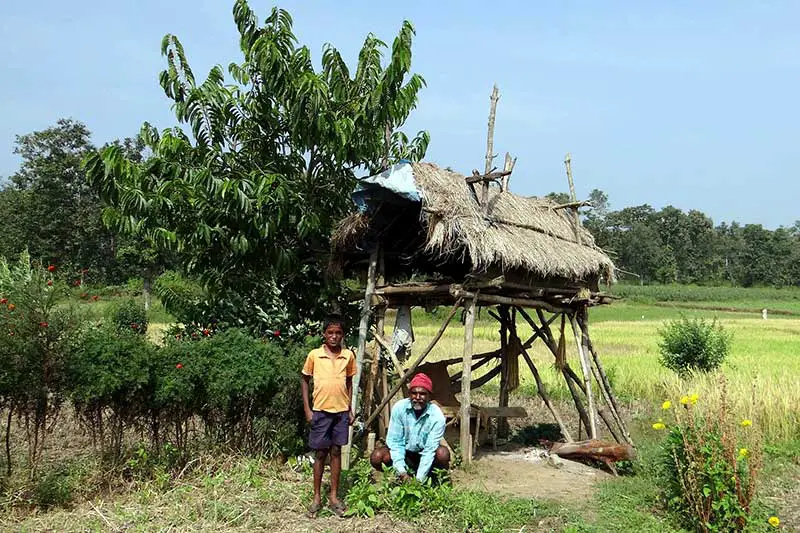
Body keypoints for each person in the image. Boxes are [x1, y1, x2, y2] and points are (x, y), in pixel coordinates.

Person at [301, 316, 356, 518]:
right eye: (330, 332)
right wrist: (308, 410)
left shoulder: (348, 356)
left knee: (336, 452)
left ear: (342, 335)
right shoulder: (315, 355)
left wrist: (349, 409)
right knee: (320, 454)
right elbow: (305, 380)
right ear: (324, 334)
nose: (334, 336)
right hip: (320, 411)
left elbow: (349, 382)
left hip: (340, 412)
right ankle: (316, 497)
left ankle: (333, 497)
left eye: (338, 333)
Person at [370, 373, 450, 483]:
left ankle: (432, 480)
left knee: (443, 454)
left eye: (422, 394)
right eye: (414, 393)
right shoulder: (399, 408)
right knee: (377, 457)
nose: (417, 397)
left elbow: (429, 451)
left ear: (429, 396)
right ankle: (397, 478)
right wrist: (402, 472)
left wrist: (418, 480)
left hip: (424, 454)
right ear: (409, 394)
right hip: (404, 453)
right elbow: (395, 443)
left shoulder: (436, 416)